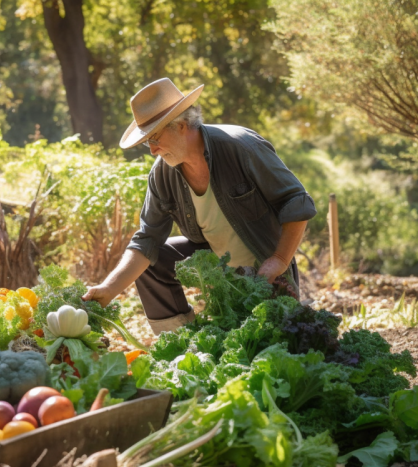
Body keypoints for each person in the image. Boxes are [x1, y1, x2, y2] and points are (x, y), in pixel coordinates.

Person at [82, 78, 317, 334]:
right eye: (147, 141)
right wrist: (108, 288)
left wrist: (279, 260)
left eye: (155, 138)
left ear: (181, 125)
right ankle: (180, 343)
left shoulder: (240, 147)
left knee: (274, 346)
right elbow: (146, 240)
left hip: (266, 273)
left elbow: (296, 201)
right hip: (217, 273)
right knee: (154, 260)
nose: (152, 150)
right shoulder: (163, 172)